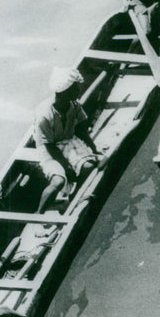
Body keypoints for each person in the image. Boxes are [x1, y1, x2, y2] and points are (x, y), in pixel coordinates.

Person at [34, 66, 100, 213]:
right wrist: (66, 167)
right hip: (48, 149)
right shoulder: (44, 114)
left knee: (89, 166)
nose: (78, 90)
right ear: (64, 92)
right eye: (75, 88)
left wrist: (94, 149)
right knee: (59, 180)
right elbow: (48, 145)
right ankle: (39, 214)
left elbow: (81, 130)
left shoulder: (74, 105)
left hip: (68, 142)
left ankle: (74, 199)